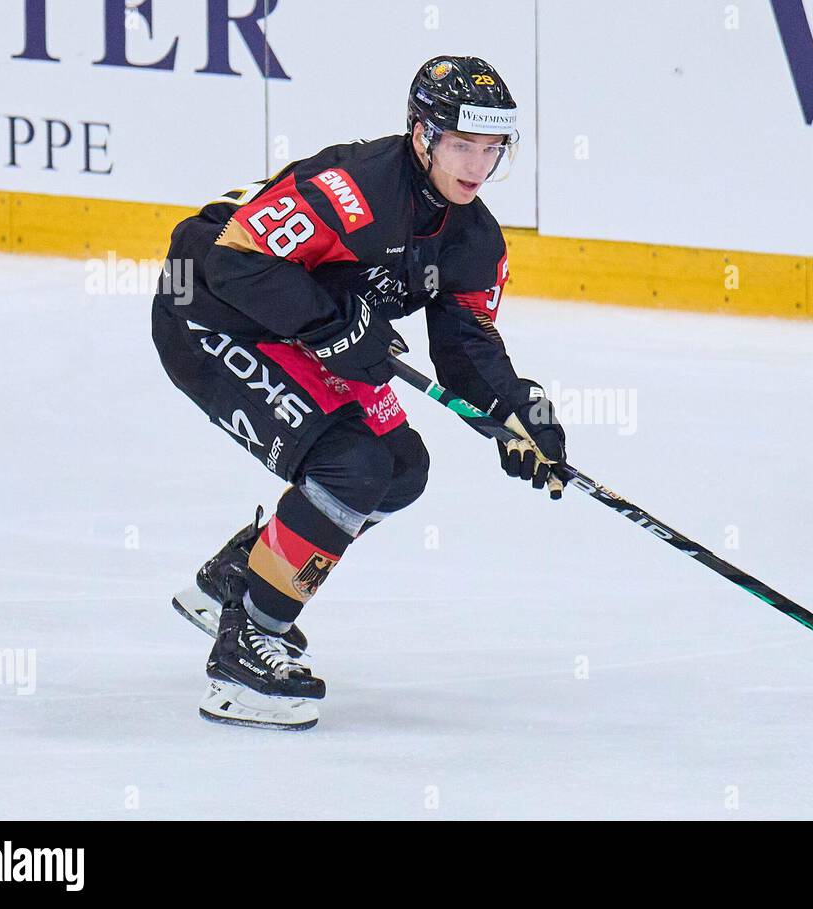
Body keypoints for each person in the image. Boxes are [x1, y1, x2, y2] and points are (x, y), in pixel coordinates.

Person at [150, 56, 567, 730]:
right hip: (206, 311)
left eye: (492, 150)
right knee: (354, 464)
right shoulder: (356, 188)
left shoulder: (472, 237)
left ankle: (241, 574)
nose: (477, 166)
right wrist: (336, 323)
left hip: (295, 331)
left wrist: (519, 411)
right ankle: (243, 646)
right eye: (462, 145)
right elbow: (230, 256)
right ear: (422, 134)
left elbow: (465, 347)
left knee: (401, 469)